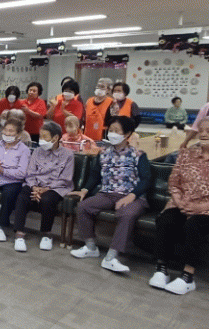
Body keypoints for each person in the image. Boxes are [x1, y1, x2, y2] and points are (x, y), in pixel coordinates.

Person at [69, 116, 150, 273]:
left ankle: (111, 257)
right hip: (107, 194)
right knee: (84, 206)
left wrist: (132, 196)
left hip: (132, 196)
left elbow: (146, 180)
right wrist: (85, 190)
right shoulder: (103, 153)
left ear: (127, 134)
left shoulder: (138, 155)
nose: (112, 133)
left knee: (126, 214)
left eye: (116, 131)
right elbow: (95, 175)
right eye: (110, 130)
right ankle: (91, 247)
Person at [150, 117, 209, 295]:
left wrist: (201, 207)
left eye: (208, 130)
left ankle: (188, 276)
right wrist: (179, 200)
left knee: (194, 226)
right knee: (166, 220)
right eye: (201, 130)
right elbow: (174, 181)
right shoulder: (187, 154)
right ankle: (161, 268)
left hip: (205, 209)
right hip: (182, 203)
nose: (204, 134)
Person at [12, 121, 74, 252]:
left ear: (55, 138)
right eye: (40, 136)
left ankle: (46, 234)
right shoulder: (37, 152)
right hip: (36, 184)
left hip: (55, 187)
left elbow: (66, 179)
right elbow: (30, 173)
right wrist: (35, 187)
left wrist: (46, 189)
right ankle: (19, 234)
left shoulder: (68, 155)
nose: (41, 140)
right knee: (22, 196)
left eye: (45, 137)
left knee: (47, 199)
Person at [83, 77, 113, 142]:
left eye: (102, 87)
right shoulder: (89, 101)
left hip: (103, 137)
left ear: (108, 90)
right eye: (98, 86)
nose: (99, 89)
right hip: (87, 136)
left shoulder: (111, 102)